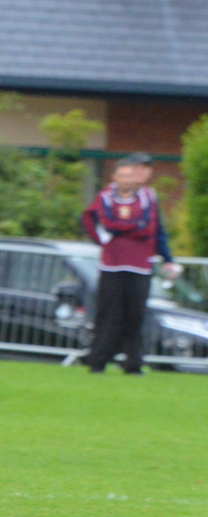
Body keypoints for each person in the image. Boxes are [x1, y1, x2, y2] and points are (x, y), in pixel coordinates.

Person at [81, 154, 180, 375]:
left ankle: (133, 363)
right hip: (112, 265)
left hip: (140, 265)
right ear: (116, 175)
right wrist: (108, 237)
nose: (134, 176)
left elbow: (152, 229)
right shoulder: (106, 196)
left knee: (135, 315)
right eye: (131, 171)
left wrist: (168, 259)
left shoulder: (147, 197)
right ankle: (97, 361)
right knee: (108, 315)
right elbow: (97, 221)